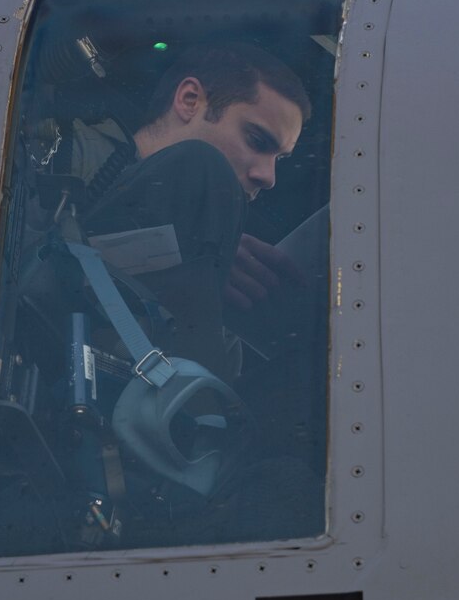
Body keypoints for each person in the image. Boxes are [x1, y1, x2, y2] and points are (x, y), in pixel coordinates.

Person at [82, 44, 309, 382]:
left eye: (280, 158)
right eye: (256, 140)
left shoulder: (225, 275)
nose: (269, 176)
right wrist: (179, 246)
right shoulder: (64, 152)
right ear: (190, 100)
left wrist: (204, 269)